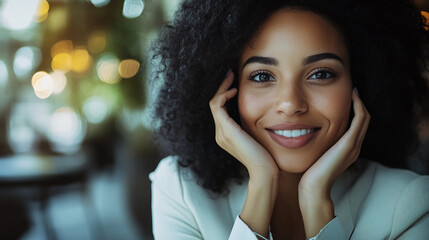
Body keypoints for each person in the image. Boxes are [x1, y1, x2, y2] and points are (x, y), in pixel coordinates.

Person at [149, 0, 429, 239]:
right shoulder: (181, 191)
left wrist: (317, 202)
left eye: (321, 74)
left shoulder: (408, 203)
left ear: (363, 84)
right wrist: (261, 184)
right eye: (262, 76)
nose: (291, 104)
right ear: (225, 92)